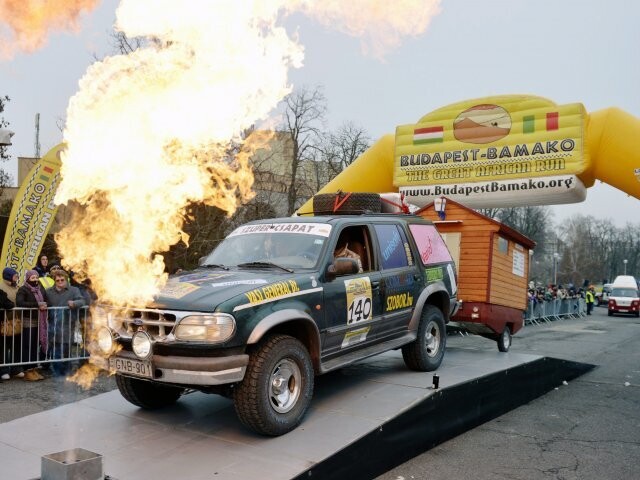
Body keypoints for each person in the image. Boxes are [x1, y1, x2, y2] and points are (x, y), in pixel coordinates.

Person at [45, 270, 86, 376]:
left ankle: (67, 372)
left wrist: (74, 303)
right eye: (57, 280)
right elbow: (43, 302)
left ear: (66, 279)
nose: (60, 282)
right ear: (54, 281)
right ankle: (58, 373)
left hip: (68, 323)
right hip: (53, 325)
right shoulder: (48, 291)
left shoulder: (74, 290)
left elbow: (82, 301)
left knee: (67, 348)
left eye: (62, 279)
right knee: (56, 349)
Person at [16, 270, 47, 381]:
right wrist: (37, 305)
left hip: (39, 321)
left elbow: (46, 299)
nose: (35, 280)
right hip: (28, 321)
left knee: (34, 346)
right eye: (32, 278)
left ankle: (34, 368)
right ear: (28, 278)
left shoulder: (40, 288)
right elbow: (19, 302)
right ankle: (27, 370)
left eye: (36, 277)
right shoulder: (23, 289)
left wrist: (46, 304)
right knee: (27, 346)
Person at [0, 267, 23, 380]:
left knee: (16, 345)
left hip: (16, 321)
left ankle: (16, 368)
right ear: (8, 276)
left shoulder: (17, 287)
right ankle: (3, 370)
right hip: (4, 321)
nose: (17, 278)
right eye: (15, 276)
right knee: (4, 346)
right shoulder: (1, 287)